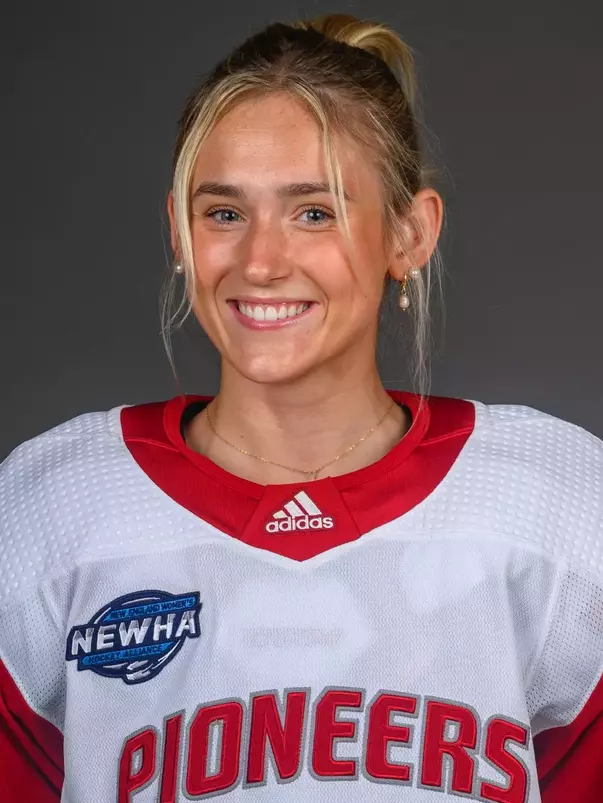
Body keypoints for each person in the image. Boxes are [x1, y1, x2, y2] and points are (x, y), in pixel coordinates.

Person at [0, 13, 601, 803]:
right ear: (179, 233)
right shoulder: (51, 508)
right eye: (223, 212)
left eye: (312, 211)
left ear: (408, 233)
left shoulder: (555, 502)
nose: (259, 259)